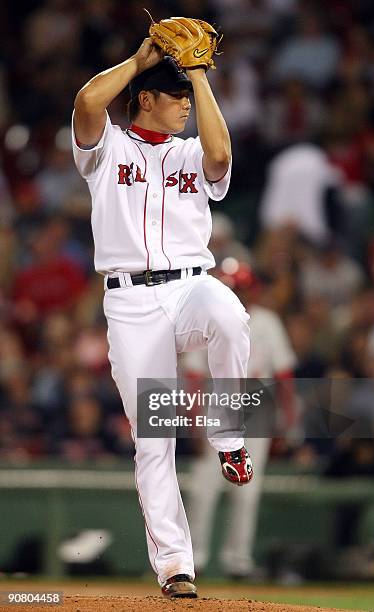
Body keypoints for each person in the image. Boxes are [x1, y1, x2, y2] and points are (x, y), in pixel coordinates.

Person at [72, 38, 253, 598]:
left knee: (229, 314)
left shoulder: (189, 152)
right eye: (176, 97)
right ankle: (177, 566)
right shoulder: (106, 150)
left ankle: (228, 435)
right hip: (130, 303)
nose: (186, 107)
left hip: (190, 286)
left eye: (189, 98)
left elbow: (221, 156)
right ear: (146, 98)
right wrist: (139, 63)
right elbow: (86, 103)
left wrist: (198, 76)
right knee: (154, 438)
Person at [184, 264, 296, 578]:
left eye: (242, 287)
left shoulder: (267, 321)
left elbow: (284, 372)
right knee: (203, 488)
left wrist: (286, 419)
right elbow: (194, 373)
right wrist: (194, 418)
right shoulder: (206, 319)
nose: (238, 292)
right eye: (232, 287)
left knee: (247, 488)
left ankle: (239, 561)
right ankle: (194, 559)